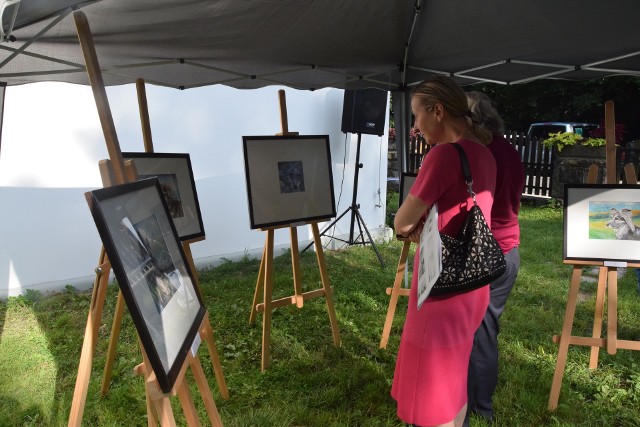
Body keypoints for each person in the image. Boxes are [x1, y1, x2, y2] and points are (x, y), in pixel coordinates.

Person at [392, 75, 497, 427]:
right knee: (453, 382)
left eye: (415, 115)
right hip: (473, 283)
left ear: (437, 111)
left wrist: (414, 222)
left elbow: (402, 223)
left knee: (431, 390)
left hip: (440, 287)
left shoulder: (443, 156)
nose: (415, 126)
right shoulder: (484, 153)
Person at [463, 91, 525, 426]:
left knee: (478, 333)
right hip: (508, 250)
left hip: (485, 254)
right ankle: (476, 405)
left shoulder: (479, 153)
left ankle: (480, 409)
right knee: (485, 329)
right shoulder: (509, 150)